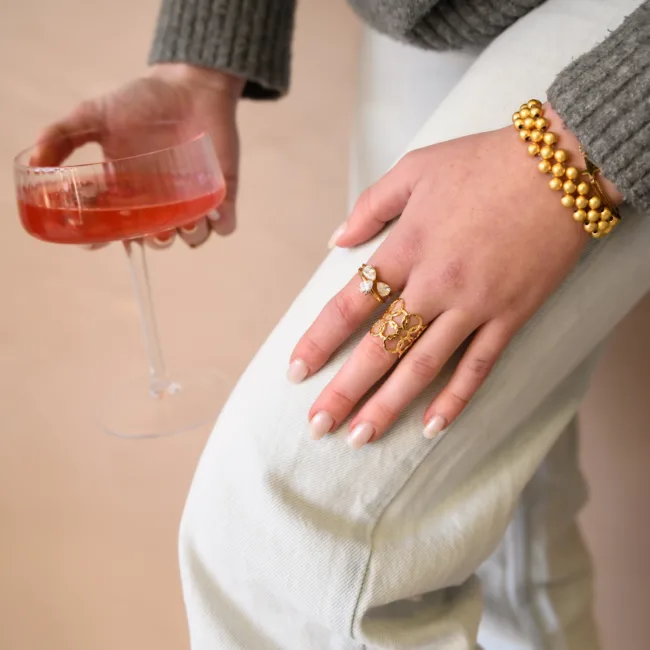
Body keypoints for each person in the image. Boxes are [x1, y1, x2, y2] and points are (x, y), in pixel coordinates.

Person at [35, 0, 650, 648]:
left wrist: (579, 146)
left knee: (288, 536)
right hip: (426, 20)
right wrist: (200, 64)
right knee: (460, 534)